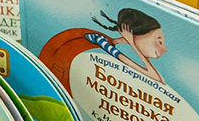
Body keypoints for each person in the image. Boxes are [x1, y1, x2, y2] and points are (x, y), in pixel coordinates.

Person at [38, 6, 169, 90]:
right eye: (159, 41)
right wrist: (133, 44)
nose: (165, 49)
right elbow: (156, 77)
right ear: (136, 34)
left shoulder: (110, 44)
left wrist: (132, 44)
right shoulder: (102, 42)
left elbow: (159, 80)